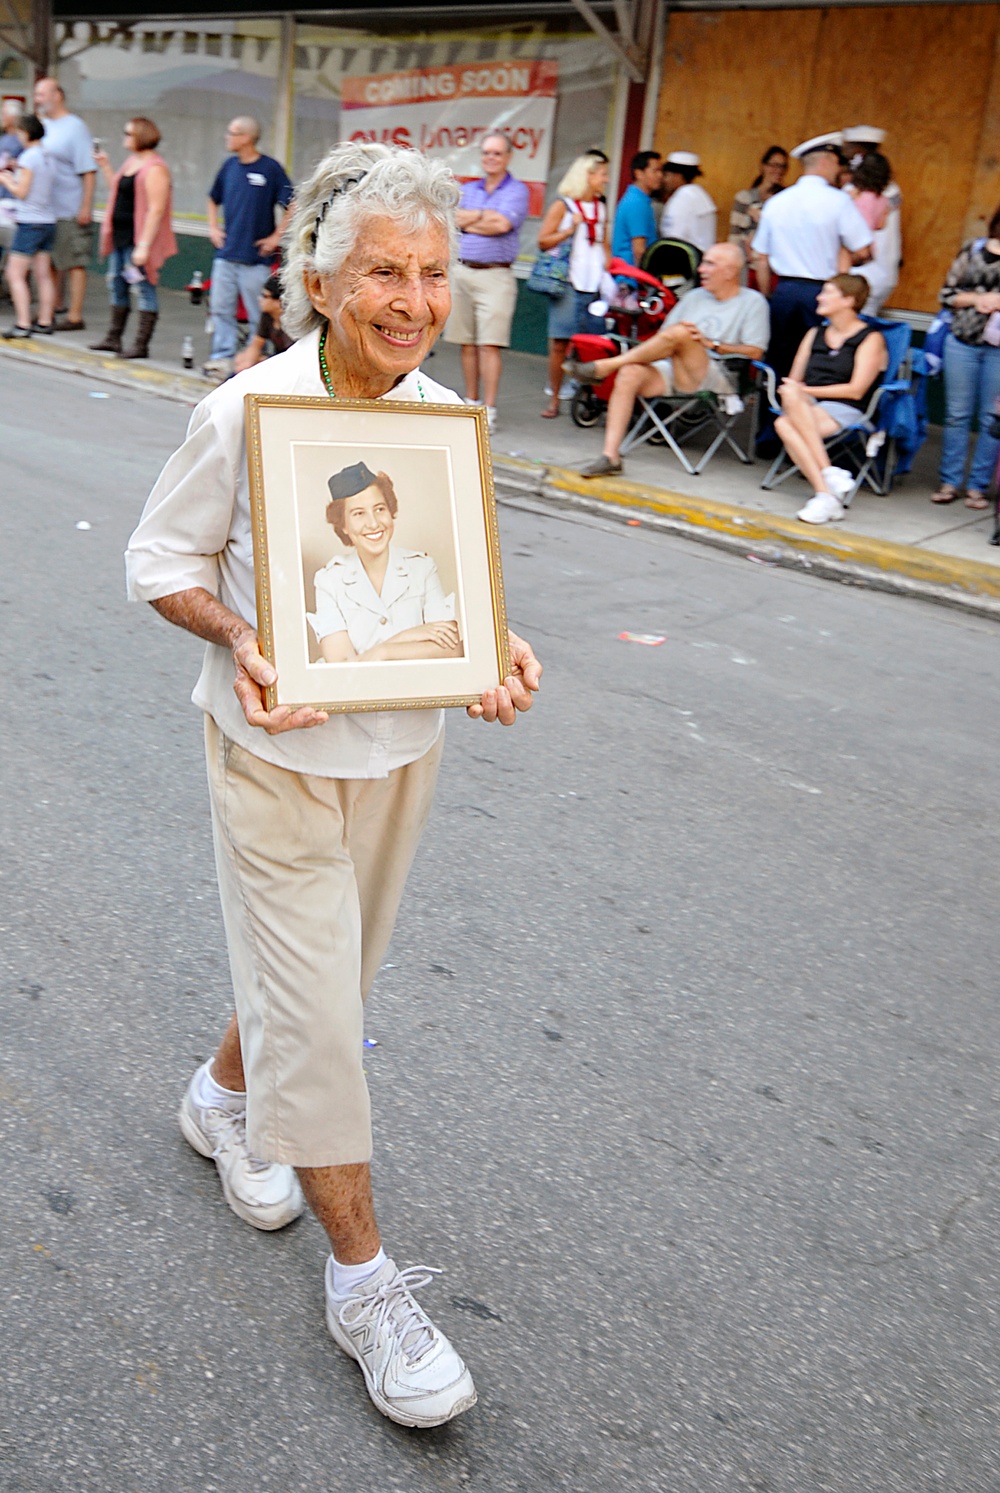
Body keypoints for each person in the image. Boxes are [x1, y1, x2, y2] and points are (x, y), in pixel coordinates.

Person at [124, 140, 542, 1431]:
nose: (415, 298)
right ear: (319, 279)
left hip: (400, 753)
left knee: (324, 981)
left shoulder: (436, 419)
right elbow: (155, 558)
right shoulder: (245, 411)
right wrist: (241, 638)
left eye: (433, 271)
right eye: (384, 272)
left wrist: (499, 647)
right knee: (320, 1007)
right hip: (275, 758)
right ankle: (364, 1283)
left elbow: (455, 578)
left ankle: (222, 1095)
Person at [567, 241, 769, 477]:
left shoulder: (752, 302)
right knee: (630, 373)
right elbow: (665, 338)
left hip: (718, 375)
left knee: (682, 332)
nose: (701, 269)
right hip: (674, 369)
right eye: (703, 263)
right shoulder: (694, 297)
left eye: (709, 264)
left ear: (730, 271)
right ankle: (610, 457)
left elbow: (755, 352)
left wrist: (710, 344)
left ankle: (606, 366)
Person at [751, 132, 873, 390]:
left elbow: (761, 258)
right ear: (827, 161)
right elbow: (864, 250)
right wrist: (845, 256)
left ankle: (769, 423)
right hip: (823, 293)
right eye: (839, 162)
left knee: (777, 365)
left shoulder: (776, 202)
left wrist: (769, 296)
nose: (840, 169)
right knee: (816, 363)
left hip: (783, 291)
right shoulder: (839, 201)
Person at [308, 464, 462, 663]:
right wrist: (390, 647)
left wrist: (384, 653)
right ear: (343, 525)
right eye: (358, 513)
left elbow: (452, 649)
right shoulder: (328, 580)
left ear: (391, 511)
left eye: (379, 509)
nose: (373, 523)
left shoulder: (422, 568)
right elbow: (341, 666)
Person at [773, 272, 888, 525]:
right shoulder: (814, 334)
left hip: (848, 407)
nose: (819, 297)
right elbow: (794, 378)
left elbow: (856, 390)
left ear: (848, 300)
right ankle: (827, 487)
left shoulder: (870, 339)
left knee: (783, 424)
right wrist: (799, 393)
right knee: (790, 398)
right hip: (807, 405)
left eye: (827, 292)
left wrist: (805, 392)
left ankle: (825, 489)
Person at [443, 132, 528, 430]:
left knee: (489, 345)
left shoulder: (517, 190)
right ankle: (471, 402)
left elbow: (503, 224)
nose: (491, 158)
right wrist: (484, 216)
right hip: (463, 272)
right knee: (466, 343)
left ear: (508, 157)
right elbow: (454, 219)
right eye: (486, 153)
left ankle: (488, 410)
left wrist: (473, 218)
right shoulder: (469, 189)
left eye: (497, 153)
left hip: (496, 275)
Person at [204, 116, 294, 381]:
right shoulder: (229, 167)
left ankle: (257, 359)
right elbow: (212, 198)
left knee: (260, 312)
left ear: (247, 138)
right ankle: (222, 357)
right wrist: (212, 227)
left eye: (232, 133)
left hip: (255, 258)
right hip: (226, 253)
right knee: (221, 307)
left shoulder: (270, 169)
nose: (227, 138)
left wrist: (276, 236)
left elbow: (292, 202)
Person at [930, 210, 1000, 508]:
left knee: (990, 418)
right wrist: (978, 299)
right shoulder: (973, 250)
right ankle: (950, 482)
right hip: (962, 341)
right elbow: (947, 294)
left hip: (997, 348)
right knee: (956, 415)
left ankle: (978, 487)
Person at [90, 116, 176, 359]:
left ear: (141, 136)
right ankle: (114, 337)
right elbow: (118, 190)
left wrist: (145, 246)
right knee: (116, 284)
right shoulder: (132, 162)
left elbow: (156, 209)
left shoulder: (155, 168)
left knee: (144, 287)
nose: (124, 138)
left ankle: (141, 344)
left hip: (137, 239)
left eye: (129, 134)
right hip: (120, 236)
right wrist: (106, 166)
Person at [536, 151, 610, 418]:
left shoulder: (601, 207)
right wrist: (570, 230)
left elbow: (603, 243)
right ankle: (554, 398)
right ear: (587, 176)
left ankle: (587, 396)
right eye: (602, 174)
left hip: (594, 285)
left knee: (592, 344)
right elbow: (543, 241)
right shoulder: (564, 205)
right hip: (568, 283)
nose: (607, 179)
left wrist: (611, 272)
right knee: (559, 344)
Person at [32, 77, 95, 332]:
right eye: (36, 95)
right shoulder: (43, 126)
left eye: (42, 94)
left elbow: (88, 170)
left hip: (69, 205)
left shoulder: (75, 128)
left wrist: (86, 206)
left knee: (73, 260)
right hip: (45, 207)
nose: (38, 99)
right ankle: (53, 306)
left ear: (57, 95)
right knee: (50, 260)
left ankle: (75, 314)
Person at [0, 113, 56, 338]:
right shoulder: (47, 155)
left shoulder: (28, 158)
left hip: (29, 221)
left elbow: (22, 192)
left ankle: (23, 323)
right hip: (47, 220)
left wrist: (6, 180)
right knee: (43, 274)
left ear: (25, 133)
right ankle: (45, 319)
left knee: (14, 273)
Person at [729, 145, 788, 276]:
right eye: (773, 165)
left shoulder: (787, 199)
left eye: (782, 166)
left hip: (776, 266)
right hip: (746, 266)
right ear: (763, 166)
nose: (778, 170)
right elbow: (735, 235)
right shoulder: (744, 198)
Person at [611, 150, 662, 267]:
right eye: (655, 171)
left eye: (661, 171)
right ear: (639, 174)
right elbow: (639, 250)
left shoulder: (638, 199)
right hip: (631, 276)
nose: (660, 176)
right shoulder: (636, 203)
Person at [232, 273, 292, 371]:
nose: (260, 299)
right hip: (279, 358)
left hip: (291, 363)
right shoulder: (268, 316)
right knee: (242, 358)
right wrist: (247, 363)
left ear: (279, 302)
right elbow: (256, 344)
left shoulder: (292, 322)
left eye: (265, 296)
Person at [659, 152, 716, 252]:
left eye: (667, 175)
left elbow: (673, 238)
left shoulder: (682, 198)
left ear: (677, 176)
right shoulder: (699, 194)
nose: (664, 180)